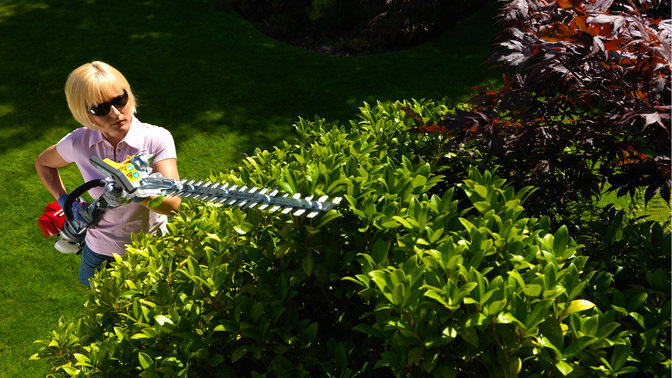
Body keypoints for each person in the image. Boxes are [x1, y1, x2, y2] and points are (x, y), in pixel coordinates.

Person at [35, 61, 181, 287]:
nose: (115, 113)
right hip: (100, 254)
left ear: (128, 96)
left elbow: (172, 205)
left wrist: (135, 194)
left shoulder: (156, 139)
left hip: (151, 250)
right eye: (101, 109)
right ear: (87, 115)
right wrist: (65, 201)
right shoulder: (79, 142)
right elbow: (44, 164)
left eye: (119, 100)